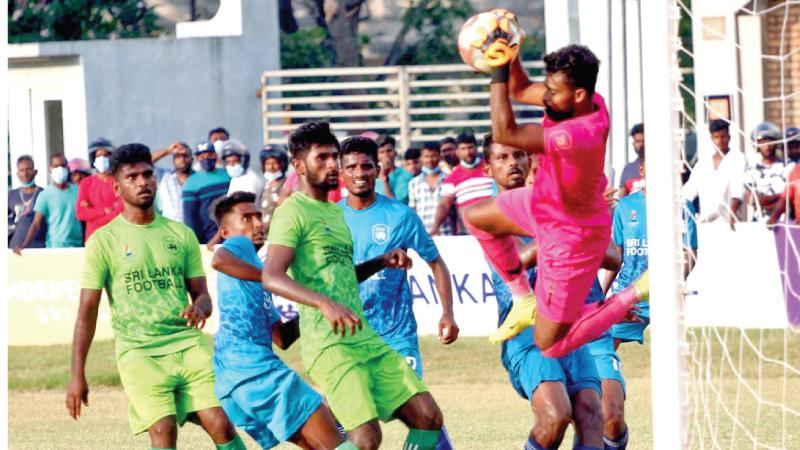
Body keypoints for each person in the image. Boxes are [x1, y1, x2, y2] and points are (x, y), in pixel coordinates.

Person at [263, 121, 446, 450]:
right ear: (298, 166)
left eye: (335, 156)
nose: (333, 164)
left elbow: (343, 274)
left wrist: (380, 261)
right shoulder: (292, 211)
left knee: (428, 417)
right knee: (365, 438)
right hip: (328, 345)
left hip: (365, 337)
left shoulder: (335, 214)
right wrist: (323, 303)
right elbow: (271, 276)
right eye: (323, 157)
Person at [462, 43, 648, 357]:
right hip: (543, 203)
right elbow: (520, 89)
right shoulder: (585, 99)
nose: (545, 97)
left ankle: (635, 292)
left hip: (571, 234)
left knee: (550, 346)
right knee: (476, 216)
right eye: (547, 87)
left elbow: (505, 132)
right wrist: (509, 53)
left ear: (577, 95)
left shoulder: (576, 134)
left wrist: (496, 73)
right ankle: (523, 299)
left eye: (553, 91)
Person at [66, 143, 245, 449]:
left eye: (147, 174)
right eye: (132, 177)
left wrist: (200, 308)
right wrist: (77, 374)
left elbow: (202, 295)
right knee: (163, 431)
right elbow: (87, 311)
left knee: (221, 424)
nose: (142, 182)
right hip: (139, 350)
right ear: (116, 186)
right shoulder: (103, 241)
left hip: (187, 343)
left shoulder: (181, 234)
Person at [482, 137, 606, 450]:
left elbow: (613, 256)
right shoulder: (489, 215)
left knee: (592, 414)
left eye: (519, 155)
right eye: (502, 157)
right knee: (556, 415)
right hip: (527, 335)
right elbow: (518, 260)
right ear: (487, 168)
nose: (512, 163)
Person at [337, 136, 458, 450]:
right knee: (352, 428)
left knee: (422, 414)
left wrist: (447, 312)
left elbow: (436, 263)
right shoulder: (329, 219)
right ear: (341, 173)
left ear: (378, 170)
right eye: (351, 167)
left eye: (366, 165)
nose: (359, 172)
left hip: (395, 334)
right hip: (348, 336)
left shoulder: (401, 216)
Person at [210, 192, 358, 450]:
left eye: (258, 216)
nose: (258, 223)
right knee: (337, 438)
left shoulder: (256, 269)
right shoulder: (240, 247)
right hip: (253, 368)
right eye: (247, 218)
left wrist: (317, 307)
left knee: (318, 444)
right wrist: (275, 280)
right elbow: (218, 259)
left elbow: (281, 338)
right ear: (225, 231)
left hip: (232, 380)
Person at [681, 119, 747, 225]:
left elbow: (738, 189)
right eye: (716, 137)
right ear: (711, 138)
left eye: (723, 137)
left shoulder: (738, 159)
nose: (720, 141)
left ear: (729, 137)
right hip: (705, 222)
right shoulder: (703, 163)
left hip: (730, 223)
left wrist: (732, 214)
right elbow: (689, 191)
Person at [13, 154, 83, 253]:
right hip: (55, 247)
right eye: (56, 166)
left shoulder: (78, 191)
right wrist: (25, 244)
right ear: (50, 169)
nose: (60, 169)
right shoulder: (45, 195)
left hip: (78, 246)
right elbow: (35, 224)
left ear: (67, 168)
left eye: (62, 166)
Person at [430, 132, 494, 236]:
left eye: (470, 147)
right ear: (457, 151)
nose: (468, 152)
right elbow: (444, 205)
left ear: (476, 148)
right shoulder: (451, 179)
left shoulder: (491, 167)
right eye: (463, 149)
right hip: (469, 232)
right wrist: (435, 227)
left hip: (495, 226)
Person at [182, 142, 231, 243]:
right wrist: (197, 239)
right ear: (197, 159)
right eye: (202, 156)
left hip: (232, 232)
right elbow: (190, 216)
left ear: (215, 156)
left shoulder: (227, 175)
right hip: (208, 239)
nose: (206, 159)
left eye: (210, 155)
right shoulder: (191, 182)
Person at [76, 138, 123, 241]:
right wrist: (104, 211)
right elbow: (80, 213)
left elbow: (121, 212)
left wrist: (93, 216)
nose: (102, 158)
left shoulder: (118, 181)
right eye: (99, 156)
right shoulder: (86, 183)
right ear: (93, 158)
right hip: (93, 238)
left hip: (115, 237)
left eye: (106, 155)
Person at [408, 142, 453, 235]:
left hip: (446, 232)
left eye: (433, 156)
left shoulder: (449, 179)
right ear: (421, 158)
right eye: (426, 156)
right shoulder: (413, 183)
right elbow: (413, 210)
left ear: (440, 157)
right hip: (423, 233)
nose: (430, 160)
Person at [745, 121, 786, 221]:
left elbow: (789, 200)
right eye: (762, 142)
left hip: (784, 222)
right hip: (759, 223)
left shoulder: (787, 167)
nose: (767, 146)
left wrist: (765, 203)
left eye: (770, 141)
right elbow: (752, 200)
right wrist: (779, 197)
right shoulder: (751, 169)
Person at [8, 155, 46, 249]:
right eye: (21, 170)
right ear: (17, 173)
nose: (25, 173)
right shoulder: (11, 195)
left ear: (35, 171)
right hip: (15, 248)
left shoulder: (44, 194)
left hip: (39, 248)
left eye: (28, 169)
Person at [152, 142, 194, 223]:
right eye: (178, 156)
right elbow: (144, 161)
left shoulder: (199, 177)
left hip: (195, 230)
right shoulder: (164, 176)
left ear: (192, 159)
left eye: (185, 156)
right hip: (170, 228)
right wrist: (168, 150)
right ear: (173, 160)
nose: (182, 159)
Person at [259, 145, 290, 233]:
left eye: (275, 163)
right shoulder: (265, 185)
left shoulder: (287, 185)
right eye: (268, 164)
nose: (271, 167)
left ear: (282, 164)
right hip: (265, 234)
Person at [374, 134, 414, 204]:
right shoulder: (372, 177)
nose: (386, 155)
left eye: (389, 151)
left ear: (395, 153)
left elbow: (396, 204)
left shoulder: (406, 176)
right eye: (382, 152)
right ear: (377, 156)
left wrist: (385, 179)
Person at [618, 124, 645, 193]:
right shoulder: (628, 169)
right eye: (638, 141)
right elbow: (622, 199)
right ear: (633, 143)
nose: (641, 144)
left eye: (643, 141)